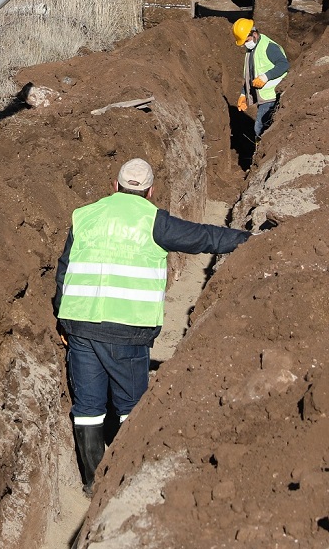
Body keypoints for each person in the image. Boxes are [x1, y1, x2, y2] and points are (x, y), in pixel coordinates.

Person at [53, 158, 252, 496]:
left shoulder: (84, 215)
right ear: (150, 192)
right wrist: (247, 239)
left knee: (88, 407)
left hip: (80, 325)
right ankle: (124, 485)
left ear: (114, 186)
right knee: (131, 407)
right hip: (128, 330)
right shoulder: (153, 220)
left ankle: (92, 485)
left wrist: (62, 314)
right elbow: (203, 237)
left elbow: (64, 268)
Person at [233, 17, 288, 137]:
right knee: (260, 126)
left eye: (246, 41)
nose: (245, 44)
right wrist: (243, 94)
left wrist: (265, 77)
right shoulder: (251, 50)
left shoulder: (268, 47)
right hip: (264, 97)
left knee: (260, 127)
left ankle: (261, 147)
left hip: (272, 95)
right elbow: (250, 75)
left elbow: (284, 65)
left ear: (254, 34)